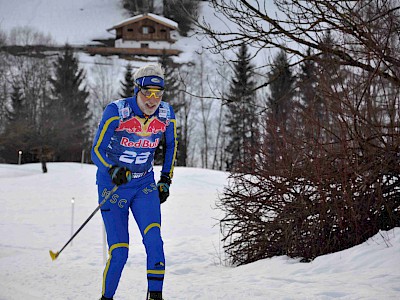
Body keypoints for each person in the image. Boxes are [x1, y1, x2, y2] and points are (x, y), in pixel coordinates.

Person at [91, 63, 178, 300]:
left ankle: (155, 296)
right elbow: (96, 150)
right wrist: (111, 169)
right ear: (136, 90)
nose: (152, 99)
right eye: (147, 93)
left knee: (154, 241)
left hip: (144, 185)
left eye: (158, 93)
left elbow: (170, 146)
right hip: (114, 187)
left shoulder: (167, 114)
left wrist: (165, 180)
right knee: (120, 252)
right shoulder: (116, 111)